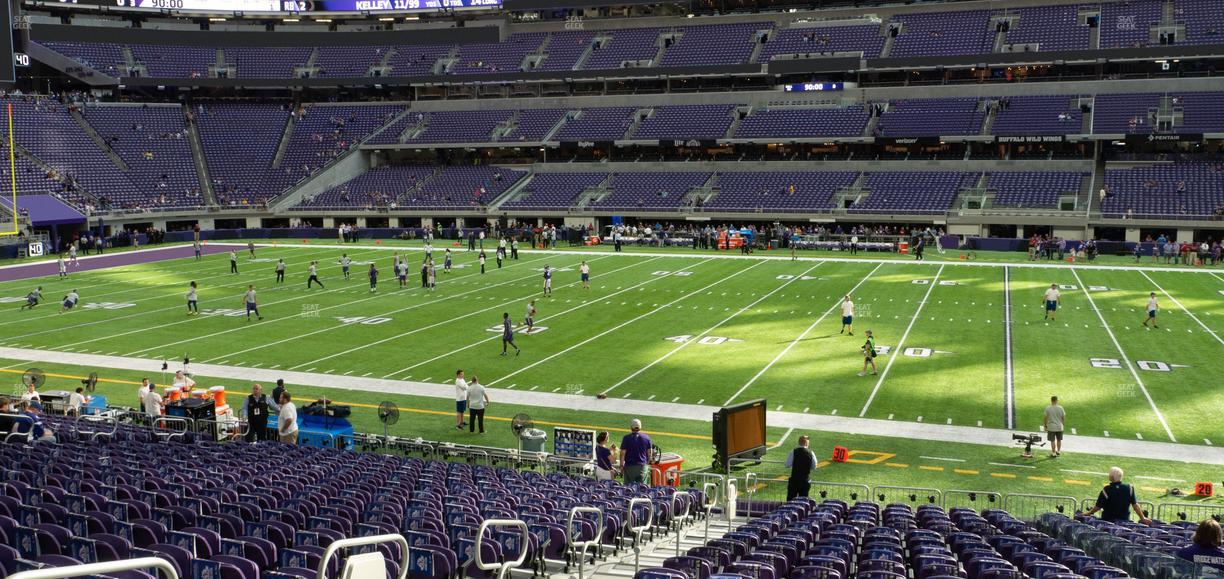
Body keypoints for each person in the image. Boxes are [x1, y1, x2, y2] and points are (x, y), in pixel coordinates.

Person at [1081, 467, 1151, 524]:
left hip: (1107, 521)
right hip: (1124, 521)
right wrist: (1143, 518)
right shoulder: (1129, 488)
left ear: (1110, 477)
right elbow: (1135, 506)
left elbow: (1098, 506)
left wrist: (1089, 512)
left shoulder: (1107, 489)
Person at [619, 419, 652, 484]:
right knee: (642, 489)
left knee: (629, 489)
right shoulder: (647, 438)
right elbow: (649, 453)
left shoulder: (626, 438)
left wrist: (621, 465)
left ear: (631, 427)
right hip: (642, 466)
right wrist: (647, 464)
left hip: (629, 466)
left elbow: (622, 453)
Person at [785, 435, 818, 501]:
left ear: (799, 442)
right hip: (805, 481)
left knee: (790, 500)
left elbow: (787, 465)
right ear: (806, 443)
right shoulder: (811, 453)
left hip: (794, 480)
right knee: (802, 502)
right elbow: (814, 467)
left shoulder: (793, 451)